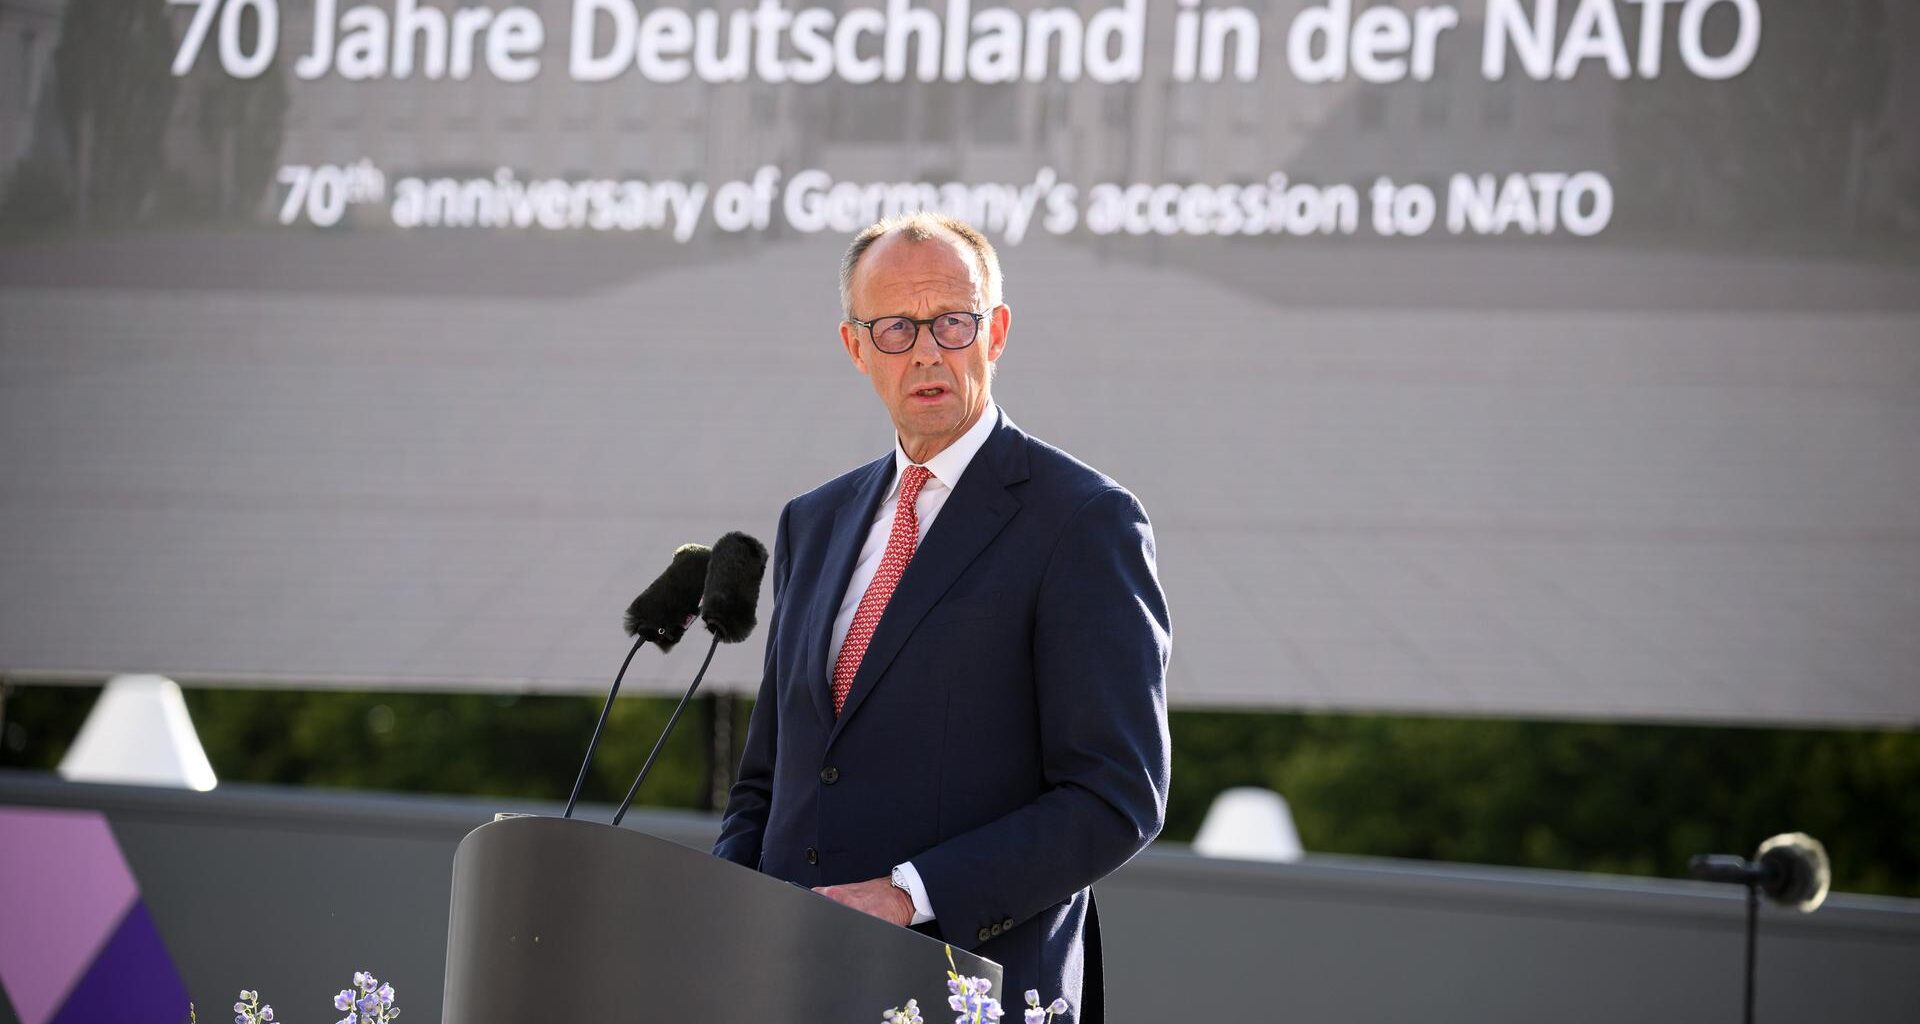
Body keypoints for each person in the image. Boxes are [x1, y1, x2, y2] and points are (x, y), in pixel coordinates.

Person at [713, 213, 1170, 1023]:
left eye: (952, 322)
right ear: (856, 348)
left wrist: (906, 895)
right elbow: (768, 781)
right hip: (789, 988)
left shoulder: (1083, 520)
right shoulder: (813, 522)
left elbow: (1114, 796)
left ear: (996, 332)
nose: (926, 350)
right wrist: (722, 915)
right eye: (895, 328)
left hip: (966, 988)